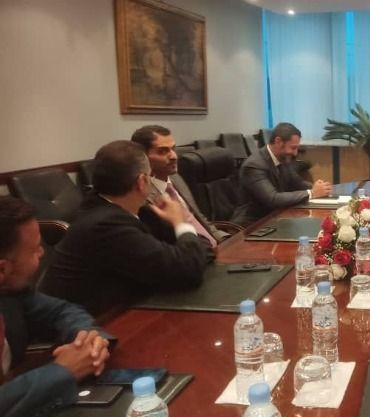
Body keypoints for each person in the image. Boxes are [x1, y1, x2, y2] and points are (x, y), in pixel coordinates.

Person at [40, 141, 207, 316]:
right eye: (150, 175)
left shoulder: (129, 210)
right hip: (91, 324)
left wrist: (184, 241)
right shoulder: (106, 225)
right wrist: (181, 223)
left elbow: (197, 252)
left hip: (124, 309)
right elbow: (188, 271)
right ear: (142, 181)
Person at [0, 196, 112, 417]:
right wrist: (62, 371)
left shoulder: (11, 290)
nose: (42, 253)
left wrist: (87, 340)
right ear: (2, 269)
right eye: (35, 249)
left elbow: (61, 311)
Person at [131, 125, 227, 249]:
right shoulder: (142, 196)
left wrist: (226, 239)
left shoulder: (176, 178)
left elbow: (197, 217)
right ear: (143, 156)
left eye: (173, 149)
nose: (174, 156)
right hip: (193, 253)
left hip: (217, 247)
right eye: (162, 151)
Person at [233, 122, 333, 224]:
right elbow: (273, 199)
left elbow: (297, 183)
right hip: (252, 224)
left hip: (276, 217)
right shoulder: (254, 166)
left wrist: (318, 188)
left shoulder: (282, 159)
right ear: (278, 141)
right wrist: (312, 193)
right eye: (293, 148)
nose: (295, 153)